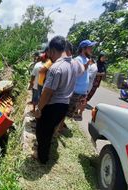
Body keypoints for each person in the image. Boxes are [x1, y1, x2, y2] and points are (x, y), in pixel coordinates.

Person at [34, 36, 84, 164]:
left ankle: (42, 158)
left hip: (52, 106)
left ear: (52, 50)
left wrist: (39, 108)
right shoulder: (74, 64)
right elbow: (83, 69)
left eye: (49, 52)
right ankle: (44, 151)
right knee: (50, 130)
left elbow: (47, 92)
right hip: (64, 105)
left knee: (42, 132)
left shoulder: (56, 68)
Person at [67, 40, 97, 121]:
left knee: (73, 112)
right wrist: (86, 66)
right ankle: (58, 128)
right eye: (90, 47)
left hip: (83, 91)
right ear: (84, 49)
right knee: (67, 112)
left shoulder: (87, 60)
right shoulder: (78, 59)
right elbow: (76, 74)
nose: (91, 49)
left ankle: (61, 126)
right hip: (76, 90)